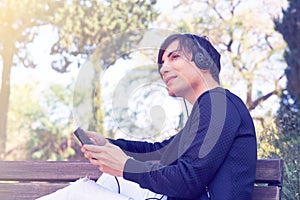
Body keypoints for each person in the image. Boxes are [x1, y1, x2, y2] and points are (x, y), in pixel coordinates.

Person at [38, 33, 257, 200]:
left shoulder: (220, 105)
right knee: (110, 179)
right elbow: (159, 151)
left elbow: (187, 180)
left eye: (174, 57)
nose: (164, 69)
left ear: (203, 61)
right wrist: (109, 144)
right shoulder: (210, 109)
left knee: (81, 192)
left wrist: (126, 166)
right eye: (162, 63)